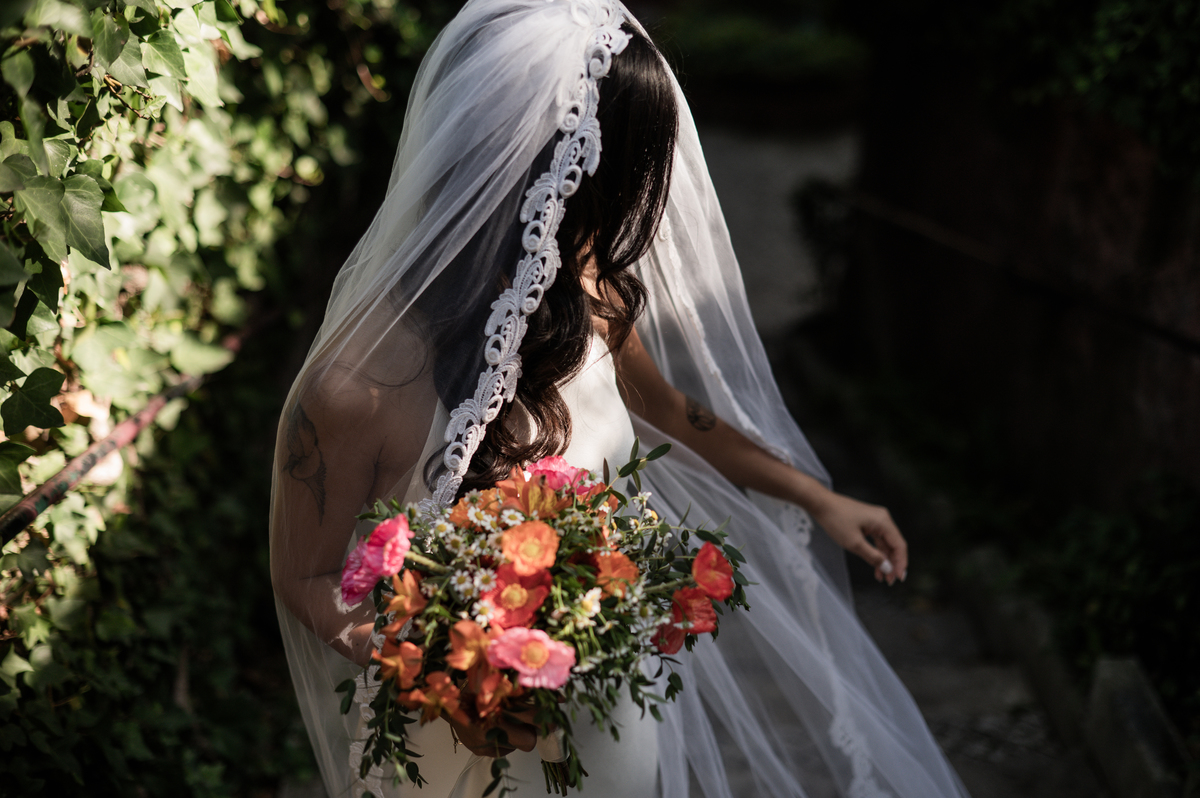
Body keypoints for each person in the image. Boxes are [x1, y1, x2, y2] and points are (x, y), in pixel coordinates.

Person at [269, 1, 971, 797]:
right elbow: (307, 576)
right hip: (453, 741)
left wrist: (818, 497)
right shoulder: (354, 386)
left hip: (608, 719)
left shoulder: (593, 302)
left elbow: (673, 415)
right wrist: (449, 678)